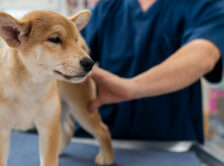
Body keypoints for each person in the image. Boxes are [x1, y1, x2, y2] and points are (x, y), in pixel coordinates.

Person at [77, 0, 224, 143]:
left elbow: (204, 54)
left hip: (171, 144)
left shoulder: (203, 5)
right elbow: (72, 49)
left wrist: (131, 88)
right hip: (102, 138)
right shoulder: (107, 8)